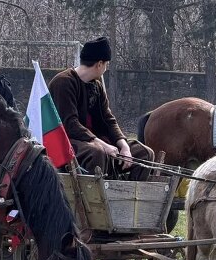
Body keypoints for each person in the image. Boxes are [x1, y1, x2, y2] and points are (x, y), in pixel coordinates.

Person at [48, 36, 154, 181]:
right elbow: (70, 124)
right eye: (106, 64)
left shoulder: (96, 85)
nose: (105, 68)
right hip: (68, 141)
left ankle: (128, 193)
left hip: (96, 141)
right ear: (99, 64)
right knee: (97, 152)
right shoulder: (63, 82)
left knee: (145, 153)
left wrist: (124, 146)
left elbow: (108, 119)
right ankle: (95, 194)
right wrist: (103, 145)